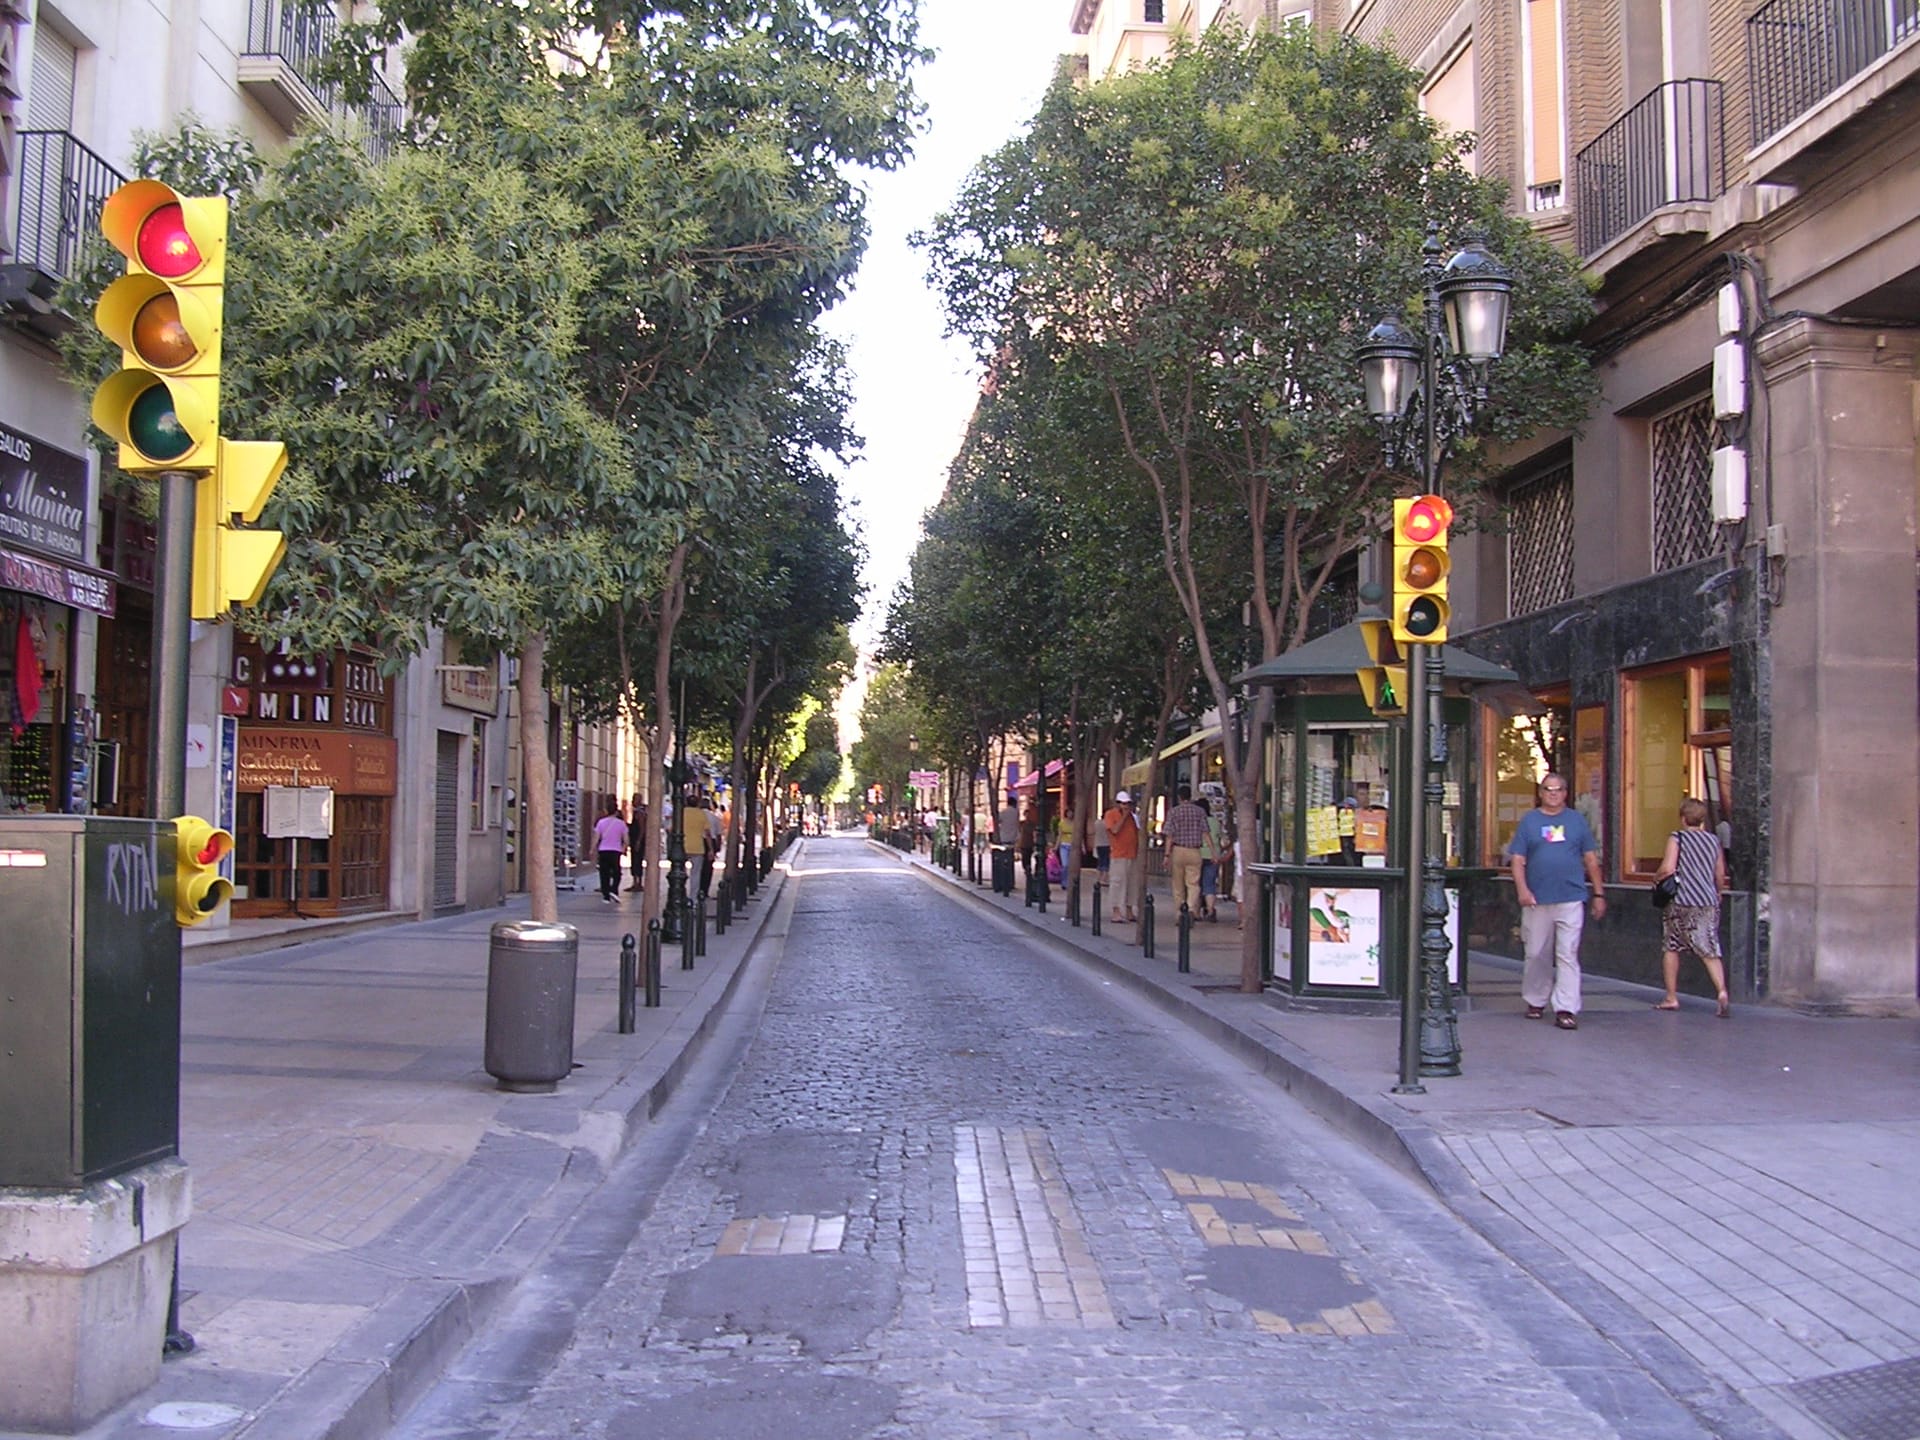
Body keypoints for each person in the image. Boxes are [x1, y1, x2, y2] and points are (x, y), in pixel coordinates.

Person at [1508, 772, 1606, 1030]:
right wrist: (1522, 890)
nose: (1553, 793)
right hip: (1537, 899)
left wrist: (1598, 893)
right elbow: (1517, 860)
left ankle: (1566, 1008)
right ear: (1541, 793)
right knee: (1536, 952)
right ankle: (1536, 999)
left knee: (1567, 953)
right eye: (1548, 789)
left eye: (1558, 789)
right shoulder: (1530, 821)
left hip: (1571, 897)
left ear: (1565, 793)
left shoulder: (1576, 821)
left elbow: (1590, 859)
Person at [1653, 797, 1731, 1018]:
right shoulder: (1713, 841)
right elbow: (1719, 873)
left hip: (1681, 900)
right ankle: (1722, 991)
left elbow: (1668, 868)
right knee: (1709, 947)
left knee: (1671, 946)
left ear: (1683, 818)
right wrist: (1718, 892)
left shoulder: (1677, 838)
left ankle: (1671, 997)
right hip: (1707, 901)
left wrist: (1656, 877)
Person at [1164, 784, 1210, 919]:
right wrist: (1213, 852)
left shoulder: (1173, 812)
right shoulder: (1200, 812)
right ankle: (1190, 908)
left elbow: (1169, 836)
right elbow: (1206, 833)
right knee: (1193, 884)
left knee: (1177, 885)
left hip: (1178, 850)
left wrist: (1167, 855)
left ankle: (1179, 913)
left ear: (1179, 797)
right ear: (1190, 796)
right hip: (1194, 851)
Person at [1100, 791, 1140, 921]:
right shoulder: (1111, 815)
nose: (1126, 806)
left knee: (1131, 884)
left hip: (1132, 853)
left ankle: (1129, 910)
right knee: (1117, 883)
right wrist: (1124, 816)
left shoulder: (1132, 817)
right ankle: (1116, 911)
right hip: (1119, 854)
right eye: (1123, 804)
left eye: (1128, 804)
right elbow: (1115, 830)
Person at [592, 801, 628, 903]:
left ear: (606, 810)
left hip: (603, 850)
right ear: (616, 811)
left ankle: (606, 896)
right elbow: (626, 839)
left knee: (604, 873)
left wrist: (592, 849)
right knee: (617, 872)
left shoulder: (601, 823)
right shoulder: (621, 824)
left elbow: (596, 837)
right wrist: (624, 849)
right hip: (616, 851)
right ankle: (614, 889)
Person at [1198, 797, 1224, 921]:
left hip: (1198, 853)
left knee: (1196, 884)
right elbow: (1222, 838)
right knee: (1210, 883)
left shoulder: (1196, 821)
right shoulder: (1215, 822)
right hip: (1213, 855)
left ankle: (1196, 910)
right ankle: (1210, 910)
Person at [681, 790, 708, 901]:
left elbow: (671, 829)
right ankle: (693, 898)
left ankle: (681, 894)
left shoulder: (681, 813)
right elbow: (707, 833)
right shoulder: (701, 814)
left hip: (682, 846)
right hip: (698, 847)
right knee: (695, 874)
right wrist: (710, 849)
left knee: (680, 873)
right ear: (697, 803)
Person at [627, 796, 648, 891]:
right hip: (635, 839)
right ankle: (636, 882)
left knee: (636, 860)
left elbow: (642, 827)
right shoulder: (638, 811)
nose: (632, 802)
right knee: (635, 860)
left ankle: (637, 882)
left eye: (634, 799)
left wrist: (639, 840)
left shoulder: (640, 813)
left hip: (637, 840)